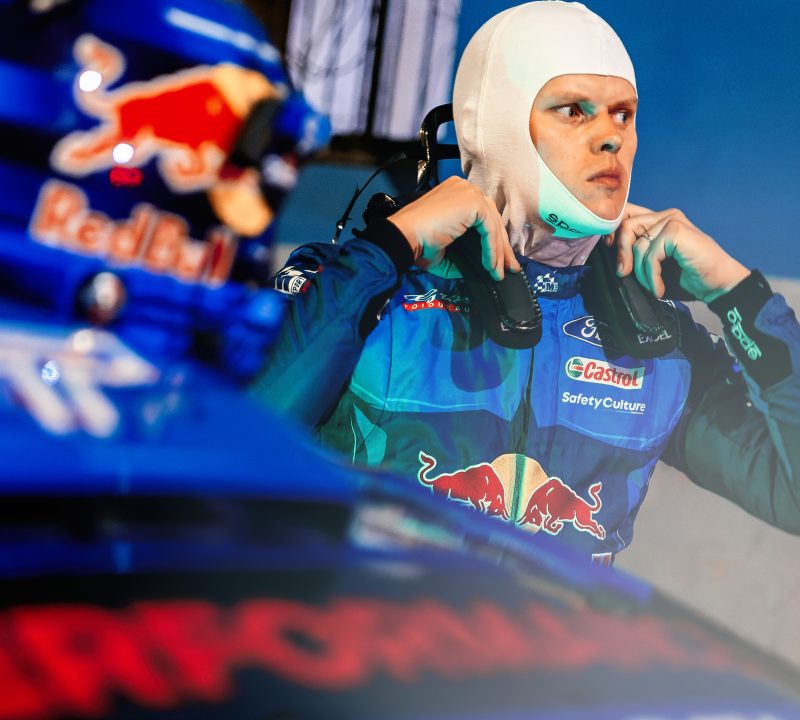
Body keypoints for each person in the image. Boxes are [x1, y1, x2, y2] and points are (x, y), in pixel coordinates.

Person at [253, 1, 800, 563]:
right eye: (574, 111)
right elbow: (234, 438)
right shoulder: (360, 285)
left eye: (623, 115)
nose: (611, 138)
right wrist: (389, 248)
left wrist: (738, 294)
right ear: (496, 126)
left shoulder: (655, 336)